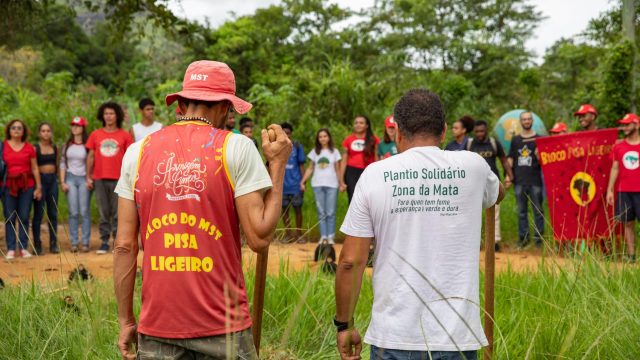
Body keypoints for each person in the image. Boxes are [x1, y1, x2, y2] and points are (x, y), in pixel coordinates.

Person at [114, 60, 291, 360]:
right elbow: (260, 238)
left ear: (181, 104)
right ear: (224, 107)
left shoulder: (138, 151)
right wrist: (278, 165)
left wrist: (125, 320)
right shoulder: (236, 147)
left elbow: (124, 246)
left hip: (157, 325)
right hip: (223, 325)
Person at [335, 89, 504, 360]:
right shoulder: (473, 166)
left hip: (394, 337)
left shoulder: (375, 174)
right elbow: (498, 194)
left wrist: (344, 325)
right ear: (445, 131)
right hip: (457, 340)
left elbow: (350, 261)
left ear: (398, 132)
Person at [87, 102, 134, 254]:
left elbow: (130, 157)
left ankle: (117, 241)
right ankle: (104, 241)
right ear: (102, 115)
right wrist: (89, 176)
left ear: (117, 115)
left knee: (117, 212)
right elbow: (91, 156)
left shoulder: (125, 135)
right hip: (99, 178)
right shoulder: (96, 134)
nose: (109, 116)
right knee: (103, 211)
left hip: (119, 179)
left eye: (112, 113)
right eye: (106, 113)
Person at [467, 120, 513, 250]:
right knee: (472, 213)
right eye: (477, 131)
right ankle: (474, 242)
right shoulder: (470, 144)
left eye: (482, 131)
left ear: (486, 130)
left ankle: (495, 242)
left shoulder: (494, 143)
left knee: (494, 213)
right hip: (473, 184)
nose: (479, 134)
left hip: (492, 183)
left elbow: (503, 160)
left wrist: (510, 175)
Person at [3, 119, 42, 260]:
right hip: (8, 185)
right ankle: (11, 248)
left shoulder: (29, 148)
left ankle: (23, 247)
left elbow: (34, 167)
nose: (17, 130)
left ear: (23, 131)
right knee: (10, 217)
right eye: (14, 127)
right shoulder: (3, 146)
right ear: (9, 130)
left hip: (27, 185)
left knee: (24, 216)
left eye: (19, 128)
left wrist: (38, 187)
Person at [508, 111, 544, 248]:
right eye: (524, 119)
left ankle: (539, 240)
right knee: (522, 211)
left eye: (529, 119)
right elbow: (511, 158)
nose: (527, 121)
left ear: (532, 121)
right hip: (519, 181)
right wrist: (508, 176)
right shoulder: (516, 140)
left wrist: (540, 155)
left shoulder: (539, 139)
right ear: (520, 121)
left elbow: (544, 162)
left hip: (535, 181)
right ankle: (523, 239)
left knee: (538, 211)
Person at [607, 113, 640, 263]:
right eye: (623, 124)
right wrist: (610, 189)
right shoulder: (618, 146)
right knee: (627, 222)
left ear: (637, 125)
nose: (625, 127)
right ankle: (632, 255)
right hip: (624, 190)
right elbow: (615, 168)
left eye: (628, 124)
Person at [300, 128, 341, 244]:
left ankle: (331, 236)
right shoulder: (315, 152)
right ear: (318, 139)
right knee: (321, 212)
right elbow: (310, 168)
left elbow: (338, 169)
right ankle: (323, 236)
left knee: (331, 212)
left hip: (332, 185)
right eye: (320, 137)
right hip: (317, 184)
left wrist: (341, 183)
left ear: (329, 138)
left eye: (325, 136)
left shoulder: (335, 152)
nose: (323, 138)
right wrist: (302, 181)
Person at [60, 116, 91, 253]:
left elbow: (91, 162)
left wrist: (90, 179)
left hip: (84, 178)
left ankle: (85, 242)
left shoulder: (87, 145)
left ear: (83, 128)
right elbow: (62, 163)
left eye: (78, 126)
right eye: (73, 125)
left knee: (84, 211)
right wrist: (62, 181)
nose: (75, 128)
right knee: (73, 212)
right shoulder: (67, 145)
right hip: (70, 179)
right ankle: (74, 242)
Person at [32, 122, 59, 255]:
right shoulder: (35, 148)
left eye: (48, 130)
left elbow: (58, 164)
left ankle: (54, 243)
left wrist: (58, 179)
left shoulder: (55, 147)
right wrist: (38, 186)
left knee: (53, 213)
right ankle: (37, 244)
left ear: (51, 132)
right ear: (39, 133)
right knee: (39, 213)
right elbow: (34, 166)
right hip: (40, 181)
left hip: (52, 180)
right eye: (43, 131)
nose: (46, 133)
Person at [339, 115, 379, 203]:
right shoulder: (348, 140)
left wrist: (378, 174)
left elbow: (377, 158)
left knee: (368, 198)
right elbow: (344, 160)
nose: (358, 125)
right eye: (356, 123)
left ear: (367, 125)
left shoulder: (374, 139)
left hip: (369, 171)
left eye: (361, 123)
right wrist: (341, 180)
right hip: (351, 172)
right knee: (353, 198)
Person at [281, 122, 306, 243]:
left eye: (288, 133)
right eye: (283, 133)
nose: (286, 135)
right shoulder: (277, 146)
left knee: (298, 210)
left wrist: (303, 181)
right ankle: (288, 234)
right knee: (284, 211)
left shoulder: (296, 146)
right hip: (282, 185)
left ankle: (299, 234)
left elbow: (301, 165)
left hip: (295, 184)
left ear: (291, 134)